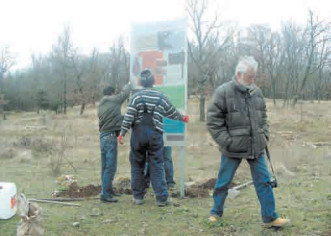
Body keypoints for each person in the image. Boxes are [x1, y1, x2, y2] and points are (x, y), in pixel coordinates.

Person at [207, 56, 290, 227]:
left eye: (254, 76)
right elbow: (213, 121)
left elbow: (263, 116)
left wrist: (264, 135)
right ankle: (216, 212)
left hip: (256, 146)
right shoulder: (223, 92)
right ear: (239, 74)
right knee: (223, 182)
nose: (253, 80)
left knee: (264, 182)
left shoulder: (256, 92)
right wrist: (227, 141)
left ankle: (270, 218)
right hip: (232, 148)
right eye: (250, 76)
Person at [118, 69, 188, 207]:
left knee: (137, 165)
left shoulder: (136, 97)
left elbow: (129, 117)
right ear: (153, 82)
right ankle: (162, 198)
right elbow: (172, 112)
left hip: (138, 135)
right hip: (156, 135)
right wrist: (182, 118)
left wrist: (122, 133)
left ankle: (138, 197)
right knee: (157, 165)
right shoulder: (161, 97)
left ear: (141, 83)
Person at [97, 82, 132, 203]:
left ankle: (107, 189)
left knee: (105, 167)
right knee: (110, 168)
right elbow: (125, 93)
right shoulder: (114, 100)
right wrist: (131, 82)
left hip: (103, 136)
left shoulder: (101, 105)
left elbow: (112, 119)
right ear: (112, 93)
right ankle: (105, 194)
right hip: (110, 137)